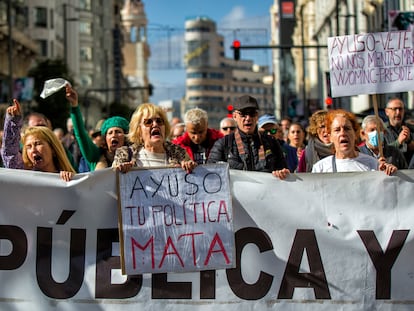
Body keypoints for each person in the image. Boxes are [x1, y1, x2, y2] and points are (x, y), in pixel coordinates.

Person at [207, 95, 289, 175]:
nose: (248, 118)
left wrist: (281, 173)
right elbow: (211, 174)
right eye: (243, 114)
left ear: (257, 116)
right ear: (234, 116)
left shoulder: (271, 142)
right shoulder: (223, 143)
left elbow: (283, 170)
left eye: (252, 113)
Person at [1, 99, 76, 181]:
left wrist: (69, 180)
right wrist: (13, 121)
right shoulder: (25, 176)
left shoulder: (66, 178)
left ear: (53, 149)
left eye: (37, 144)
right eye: (29, 147)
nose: (33, 150)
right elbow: (9, 154)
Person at [112, 103, 196, 173]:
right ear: (139, 130)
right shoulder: (125, 155)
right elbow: (113, 183)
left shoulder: (179, 154)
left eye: (159, 121)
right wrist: (121, 171)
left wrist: (189, 168)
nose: (155, 124)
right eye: (148, 122)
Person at [311, 109, 397, 175]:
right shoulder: (320, 168)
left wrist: (389, 174)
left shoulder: (372, 164)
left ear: (355, 134)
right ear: (330, 137)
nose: (343, 133)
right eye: (337, 130)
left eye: (347, 129)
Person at [65, 85, 129, 171]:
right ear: (105, 139)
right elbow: (81, 134)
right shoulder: (95, 155)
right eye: (110, 133)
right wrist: (74, 106)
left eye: (118, 132)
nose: (114, 135)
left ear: (125, 136)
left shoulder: (135, 156)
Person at [384, 97, 414, 165]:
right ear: (387, 112)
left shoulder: (411, 129)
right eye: (394, 109)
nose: (398, 113)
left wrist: (408, 141)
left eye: (400, 109)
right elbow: (380, 151)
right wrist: (398, 142)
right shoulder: (381, 130)